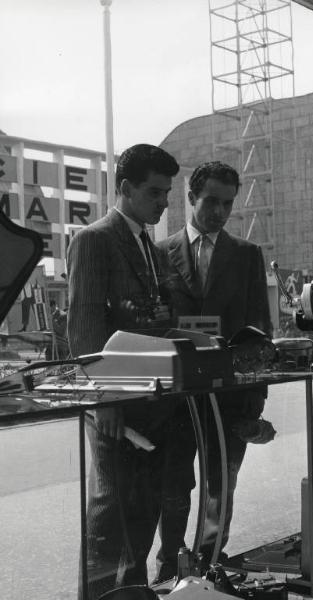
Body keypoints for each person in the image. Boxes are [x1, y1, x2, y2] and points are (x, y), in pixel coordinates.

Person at [67, 144, 194, 599]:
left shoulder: (152, 248)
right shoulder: (94, 240)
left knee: (142, 515)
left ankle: (133, 593)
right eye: (155, 192)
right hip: (116, 407)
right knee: (110, 517)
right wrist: (105, 401)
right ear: (125, 188)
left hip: (154, 403)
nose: (164, 202)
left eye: (166, 193)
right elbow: (83, 331)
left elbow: (155, 321)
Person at [156, 161, 273, 572]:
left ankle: (208, 564)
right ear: (190, 198)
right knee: (173, 487)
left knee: (220, 487)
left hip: (230, 396)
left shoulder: (246, 256)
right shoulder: (158, 254)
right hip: (177, 397)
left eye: (228, 204)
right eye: (211, 202)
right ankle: (170, 567)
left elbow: (261, 331)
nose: (220, 212)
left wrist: (255, 403)